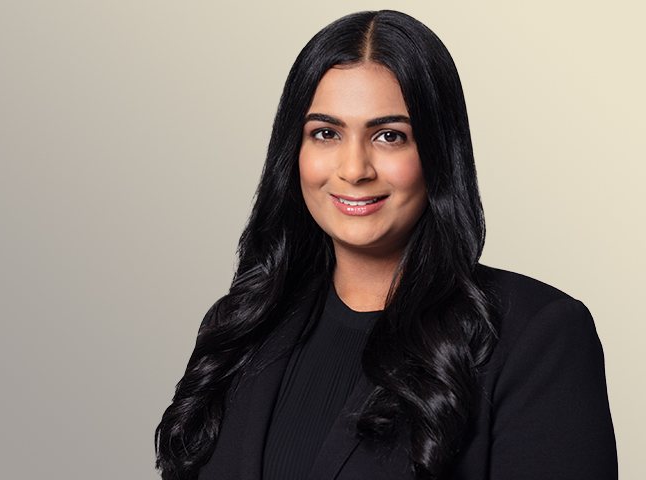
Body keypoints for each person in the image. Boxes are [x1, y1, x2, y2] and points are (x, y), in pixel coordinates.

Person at [155, 10, 617, 480]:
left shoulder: (537, 336)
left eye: (389, 136)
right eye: (326, 133)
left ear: (438, 152)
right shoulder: (239, 328)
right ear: (293, 151)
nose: (354, 169)